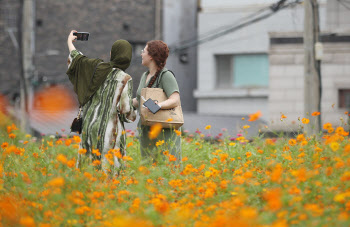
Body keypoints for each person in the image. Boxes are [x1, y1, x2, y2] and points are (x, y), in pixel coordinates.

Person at [66, 30, 136, 175]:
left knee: (88, 169)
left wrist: (70, 42)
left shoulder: (96, 69)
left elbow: (77, 60)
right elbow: (126, 112)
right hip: (109, 133)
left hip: (89, 127)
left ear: (112, 54)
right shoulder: (125, 79)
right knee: (108, 172)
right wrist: (134, 110)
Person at [132, 40, 182, 163]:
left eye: (143, 51)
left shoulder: (166, 75)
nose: (141, 54)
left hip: (163, 132)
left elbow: (175, 99)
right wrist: (120, 104)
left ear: (151, 56)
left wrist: (158, 105)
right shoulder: (145, 76)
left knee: (165, 167)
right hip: (147, 130)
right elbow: (139, 100)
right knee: (149, 169)